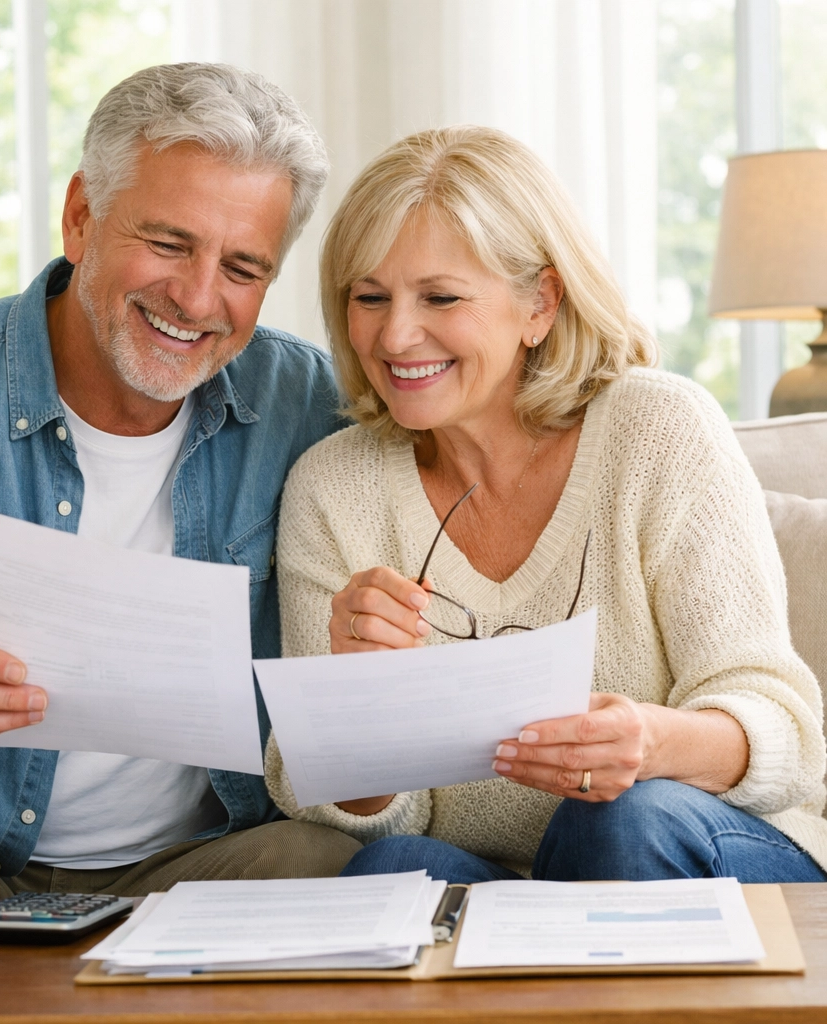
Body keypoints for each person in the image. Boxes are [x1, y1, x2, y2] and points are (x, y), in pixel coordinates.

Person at [0, 63, 361, 898]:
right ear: (80, 217)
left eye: (243, 269)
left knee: (342, 859)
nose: (198, 297)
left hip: (197, 868)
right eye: (168, 243)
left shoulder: (313, 405)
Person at [263, 125, 827, 884]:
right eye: (369, 297)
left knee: (622, 821)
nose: (395, 334)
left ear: (540, 304)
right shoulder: (332, 489)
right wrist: (355, 697)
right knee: (391, 868)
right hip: (511, 883)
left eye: (440, 296)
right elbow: (357, 811)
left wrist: (650, 744)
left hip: (704, 850)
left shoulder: (659, 431)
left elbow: (786, 732)